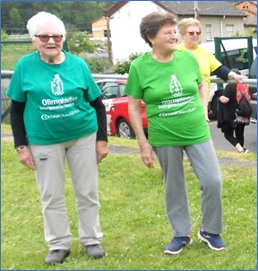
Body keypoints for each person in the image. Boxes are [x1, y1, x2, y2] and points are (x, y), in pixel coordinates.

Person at [6, 11, 108, 265]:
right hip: (43, 139)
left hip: (82, 135)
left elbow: (97, 104)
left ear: (63, 38)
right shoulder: (25, 66)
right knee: (51, 194)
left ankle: (92, 239)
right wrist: (21, 145)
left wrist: (102, 140)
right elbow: (17, 108)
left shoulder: (78, 64)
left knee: (87, 190)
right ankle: (58, 243)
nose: (51, 41)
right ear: (34, 40)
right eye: (44, 36)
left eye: (56, 36)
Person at [125, 12, 226, 255]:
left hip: (196, 130)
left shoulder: (187, 59)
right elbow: (133, 105)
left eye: (173, 31)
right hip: (164, 134)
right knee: (174, 185)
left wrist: (203, 108)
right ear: (151, 38)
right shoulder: (139, 66)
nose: (174, 36)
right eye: (168, 32)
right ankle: (181, 234)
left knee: (213, 180)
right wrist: (143, 143)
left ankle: (211, 230)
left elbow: (202, 83)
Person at [177, 18, 246, 121]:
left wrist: (235, 76)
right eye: (191, 33)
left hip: (202, 103)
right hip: (182, 102)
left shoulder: (204, 52)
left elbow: (219, 69)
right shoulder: (175, 52)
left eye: (198, 32)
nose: (196, 35)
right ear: (183, 34)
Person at [218, 82, 251, 153]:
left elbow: (225, 99)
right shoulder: (244, 86)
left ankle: (241, 150)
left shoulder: (230, 86)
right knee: (240, 133)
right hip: (243, 114)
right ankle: (241, 151)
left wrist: (220, 96)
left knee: (228, 135)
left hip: (232, 115)